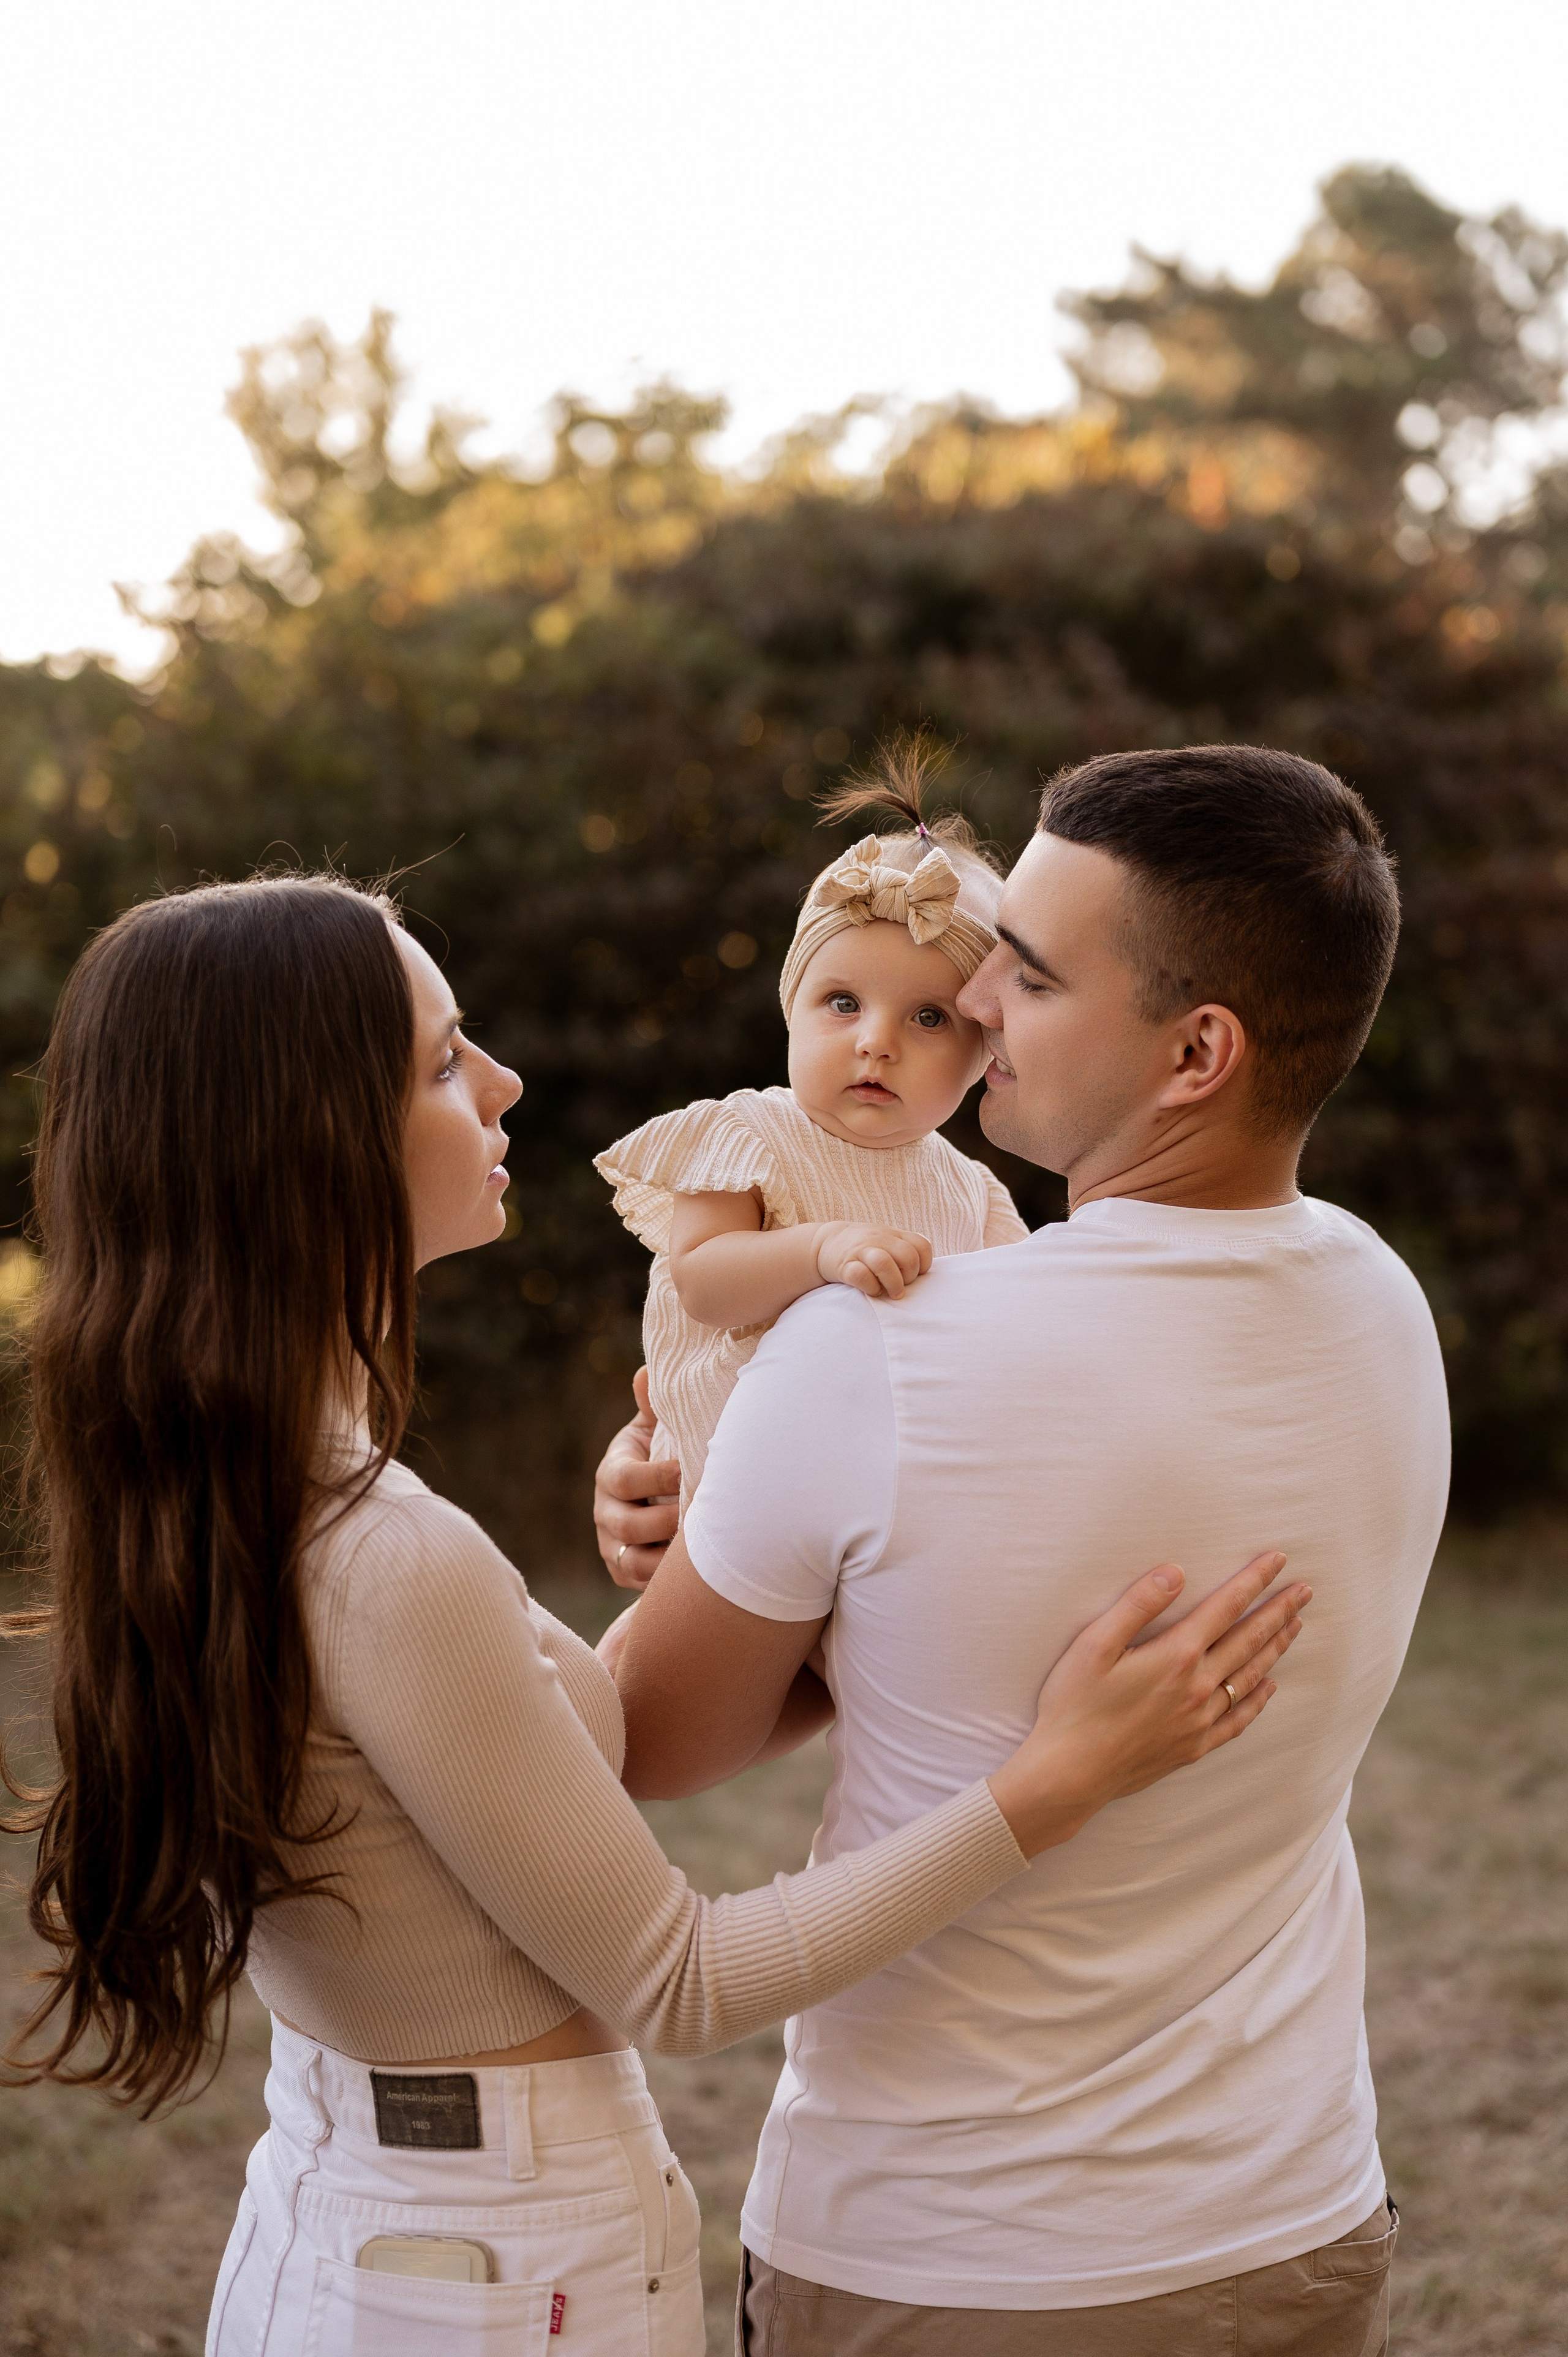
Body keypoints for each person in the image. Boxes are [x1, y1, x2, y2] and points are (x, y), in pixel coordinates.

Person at [0, 872, 1306, 2357]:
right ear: (296, 1136)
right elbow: (679, 1977)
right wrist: (1047, 1782)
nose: (502, 1080)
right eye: (438, 1061)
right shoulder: (378, 1545)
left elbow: (582, 1746)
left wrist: (756, 1562)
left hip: (399, 2222)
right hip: (485, 2268)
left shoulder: (274, 1481)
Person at [601, 745, 1451, 2356]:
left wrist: (712, 1549)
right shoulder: (1384, 1306)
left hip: (957, 2265)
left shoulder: (876, 1352)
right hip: (1298, 2227)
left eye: (1034, 974)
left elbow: (647, 1734)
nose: (973, 1000)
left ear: (1198, 1051)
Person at [595, 742, 1026, 1522]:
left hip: (885, 1506)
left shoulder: (970, 1193)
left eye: (928, 1017)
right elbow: (701, 1280)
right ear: (791, 1007)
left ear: (982, 1056)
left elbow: (1011, 1339)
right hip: (731, 1507)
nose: (875, 1040)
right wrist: (818, 1250)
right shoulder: (749, 1133)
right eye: (841, 1002)